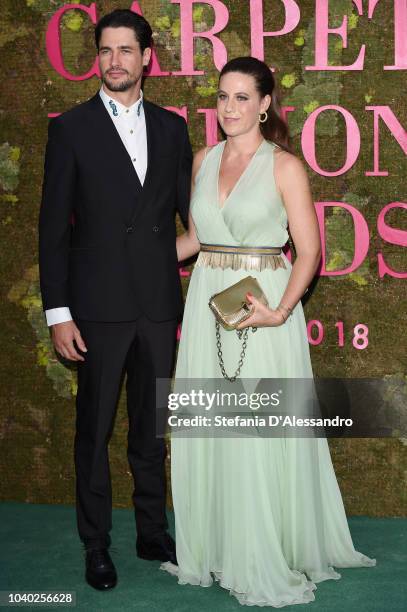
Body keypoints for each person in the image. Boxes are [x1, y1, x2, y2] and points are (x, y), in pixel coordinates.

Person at [161, 57, 376, 607]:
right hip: (209, 304)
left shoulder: (284, 166)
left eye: (240, 98)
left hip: (263, 309)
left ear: (264, 105)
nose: (228, 107)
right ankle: (214, 550)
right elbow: (197, 240)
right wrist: (132, 260)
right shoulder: (203, 160)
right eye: (222, 96)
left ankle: (261, 553)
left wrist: (280, 311)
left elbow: (309, 252)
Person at [38, 9, 192, 590]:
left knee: (152, 432)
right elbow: (52, 230)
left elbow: (192, 220)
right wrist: (59, 312)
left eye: (126, 50)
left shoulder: (174, 128)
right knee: (93, 433)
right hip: (95, 311)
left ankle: (152, 531)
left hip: (156, 308)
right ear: (97, 57)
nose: (115, 62)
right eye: (105, 51)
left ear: (146, 57)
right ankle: (96, 544)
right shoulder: (70, 129)